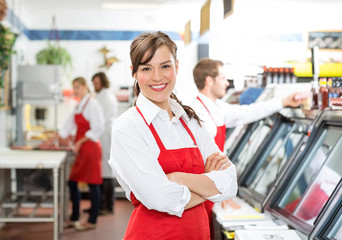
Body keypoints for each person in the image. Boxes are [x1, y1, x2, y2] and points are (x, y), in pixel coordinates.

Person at [108, 31, 237, 240]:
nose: (157, 76)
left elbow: (230, 184)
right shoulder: (128, 127)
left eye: (165, 66)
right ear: (134, 72)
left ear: (176, 66)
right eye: (146, 68)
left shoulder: (190, 121)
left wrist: (176, 178)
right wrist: (208, 185)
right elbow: (162, 198)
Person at [190, 58, 307, 238]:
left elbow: (249, 111)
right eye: (223, 78)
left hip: (213, 190)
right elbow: (201, 160)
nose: (227, 83)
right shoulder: (197, 112)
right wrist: (220, 189)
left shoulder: (217, 107)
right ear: (209, 80)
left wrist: (283, 101)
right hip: (204, 192)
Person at [43, 77, 104, 230]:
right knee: (73, 182)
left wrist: (79, 141)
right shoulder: (79, 106)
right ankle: (75, 217)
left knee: (92, 183)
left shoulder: (93, 104)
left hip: (91, 148)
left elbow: (98, 129)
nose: (75, 90)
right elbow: (66, 127)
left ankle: (92, 220)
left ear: (85, 87)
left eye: (77, 87)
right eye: (74, 87)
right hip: (83, 149)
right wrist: (51, 140)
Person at [91, 72, 118, 215]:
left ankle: (108, 206)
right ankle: (99, 204)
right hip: (101, 136)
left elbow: (101, 118)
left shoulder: (107, 96)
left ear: (103, 82)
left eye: (97, 83)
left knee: (107, 171)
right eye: (93, 83)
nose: (95, 86)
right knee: (101, 171)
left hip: (105, 135)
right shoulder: (101, 95)